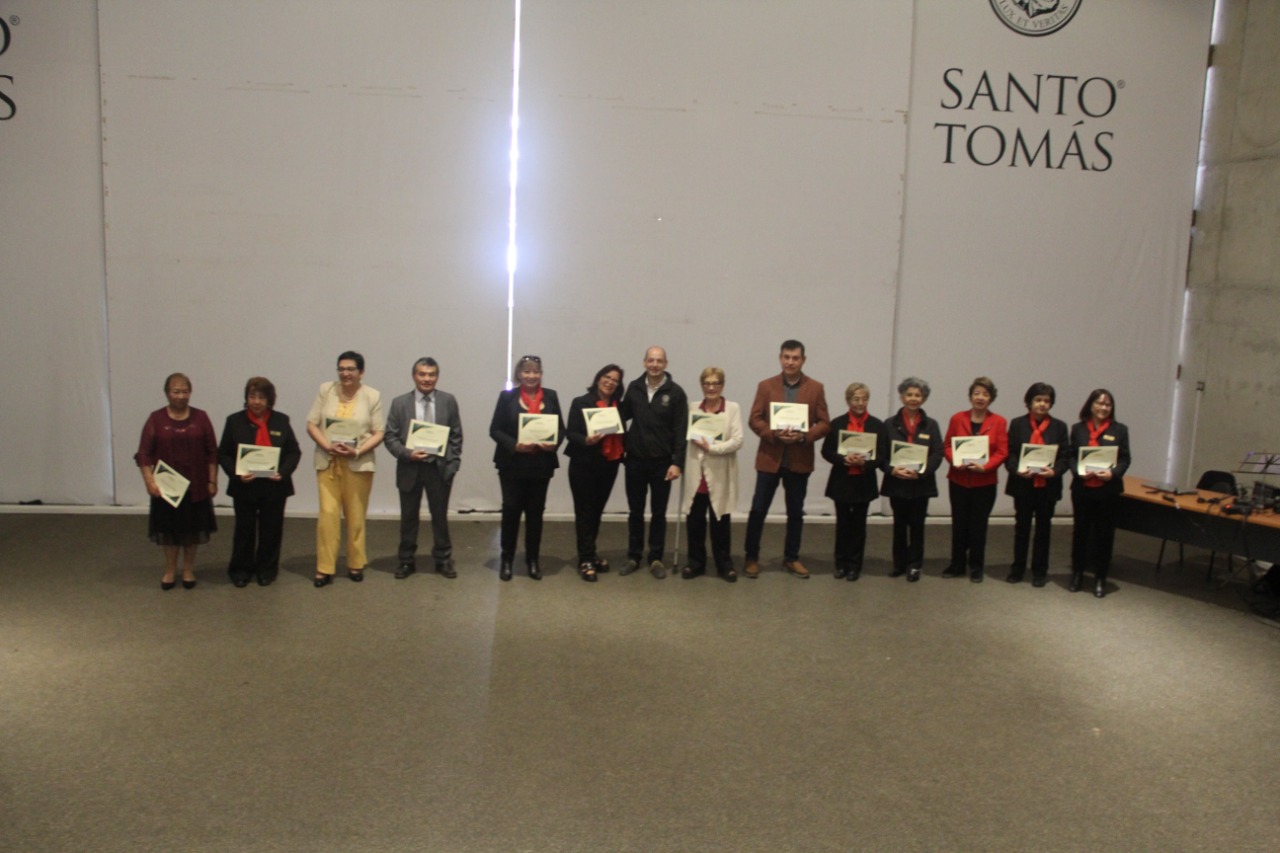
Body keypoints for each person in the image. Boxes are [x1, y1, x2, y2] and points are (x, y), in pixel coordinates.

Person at [743, 339, 831, 579]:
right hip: (770, 457)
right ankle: (751, 557)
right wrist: (773, 433)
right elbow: (754, 418)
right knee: (758, 509)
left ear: (803, 360)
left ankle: (791, 558)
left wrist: (804, 436)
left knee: (795, 511)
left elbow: (824, 423)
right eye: (786, 357)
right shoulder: (766, 386)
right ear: (780, 358)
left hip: (799, 459)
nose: (790, 362)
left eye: (795, 358)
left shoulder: (815, 388)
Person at [305, 351, 385, 588]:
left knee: (355, 515)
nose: (345, 373)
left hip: (358, 464)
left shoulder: (372, 396)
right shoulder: (325, 390)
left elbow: (379, 432)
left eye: (350, 369)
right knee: (328, 515)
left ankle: (355, 563)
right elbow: (311, 424)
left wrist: (357, 451)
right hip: (328, 462)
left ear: (361, 372)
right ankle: (324, 567)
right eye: (341, 369)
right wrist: (326, 445)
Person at [135, 372, 218, 590]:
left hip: (197, 486)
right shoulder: (156, 419)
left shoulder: (201, 418)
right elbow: (144, 454)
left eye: (185, 391)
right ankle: (170, 570)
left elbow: (212, 452)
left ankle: (189, 569)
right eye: (176, 391)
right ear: (167, 393)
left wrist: (212, 481)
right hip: (166, 488)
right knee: (169, 532)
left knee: (192, 531)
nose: (181, 396)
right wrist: (149, 482)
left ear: (190, 393)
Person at [216, 376, 302, 587]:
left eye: (261, 397)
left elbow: (293, 452)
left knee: (271, 530)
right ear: (246, 398)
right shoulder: (234, 421)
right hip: (244, 486)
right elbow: (223, 454)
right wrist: (237, 474)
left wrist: (283, 472)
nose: (256, 401)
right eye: (252, 396)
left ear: (269, 399)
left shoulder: (281, 420)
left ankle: (266, 570)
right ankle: (241, 570)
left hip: (274, 486)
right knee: (244, 531)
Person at [384, 357, 463, 580]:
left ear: (437, 376)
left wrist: (453, 464)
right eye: (422, 374)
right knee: (408, 517)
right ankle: (407, 560)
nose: (427, 379)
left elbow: (456, 435)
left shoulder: (448, 401)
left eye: (431, 374)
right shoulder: (399, 403)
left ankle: (443, 559)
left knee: (440, 517)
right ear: (414, 376)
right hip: (410, 468)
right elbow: (389, 436)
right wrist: (408, 453)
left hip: (439, 469)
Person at [489, 355, 565, 581]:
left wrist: (554, 443)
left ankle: (533, 560)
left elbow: (561, 428)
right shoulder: (507, 397)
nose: (531, 376)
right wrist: (515, 445)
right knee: (511, 511)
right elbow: (495, 430)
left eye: (536, 372)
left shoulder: (551, 396)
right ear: (519, 374)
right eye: (527, 372)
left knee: (535, 514)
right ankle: (507, 560)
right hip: (512, 464)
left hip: (541, 465)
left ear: (541, 374)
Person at [618, 346, 688, 579]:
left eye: (659, 361)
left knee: (659, 513)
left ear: (666, 364)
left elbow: (680, 431)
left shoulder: (676, 393)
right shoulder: (634, 388)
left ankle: (656, 557)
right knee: (635, 512)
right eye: (651, 360)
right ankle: (634, 556)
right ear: (644, 362)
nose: (655, 365)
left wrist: (677, 462)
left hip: (662, 463)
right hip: (635, 461)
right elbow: (621, 416)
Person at [941, 377, 1009, 583]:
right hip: (959, 480)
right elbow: (947, 446)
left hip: (984, 483)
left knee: (979, 526)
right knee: (959, 524)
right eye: (977, 393)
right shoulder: (957, 419)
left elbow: (1002, 451)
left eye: (985, 394)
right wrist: (955, 461)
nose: (980, 398)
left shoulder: (999, 422)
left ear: (991, 398)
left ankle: (976, 566)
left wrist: (985, 467)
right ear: (971, 396)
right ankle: (957, 564)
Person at [680, 366, 745, 581]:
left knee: (720, 522)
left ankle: (724, 563)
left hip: (719, 474)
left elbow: (737, 440)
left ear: (722, 385)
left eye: (715, 383)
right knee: (695, 521)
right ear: (702, 385)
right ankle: (695, 562)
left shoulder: (732, 408)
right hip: (695, 474)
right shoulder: (692, 408)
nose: (711, 387)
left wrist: (712, 448)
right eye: (707, 383)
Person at [1004, 382, 1069, 587]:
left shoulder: (1059, 426)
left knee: (1044, 529)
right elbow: (1010, 453)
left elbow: (1065, 457)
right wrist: (1017, 470)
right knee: (1021, 528)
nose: (1042, 404)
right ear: (1029, 402)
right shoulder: (1017, 424)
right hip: (1022, 485)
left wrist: (1055, 471)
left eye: (1047, 401)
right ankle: (1018, 568)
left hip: (1047, 486)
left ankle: (1040, 570)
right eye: (1038, 400)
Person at [1068, 388, 1131, 598]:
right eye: (1100, 403)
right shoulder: (1078, 429)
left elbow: (1124, 459)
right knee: (1081, 533)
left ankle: (1100, 578)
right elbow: (1070, 456)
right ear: (1090, 405)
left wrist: (1112, 474)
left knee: (1104, 535)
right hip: (1083, 490)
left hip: (1107, 491)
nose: (1103, 408)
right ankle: (1077, 574)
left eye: (1108, 405)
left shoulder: (1120, 430)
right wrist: (1078, 471)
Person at [879, 377, 943, 582]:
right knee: (899, 525)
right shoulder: (889, 424)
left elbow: (937, 454)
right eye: (909, 394)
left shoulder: (931, 425)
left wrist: (921, 472)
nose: (913, 399)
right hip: (897, 483)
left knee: (917, 526)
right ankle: (899, 564)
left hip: (920, 484)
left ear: (923, 399)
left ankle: (915, 566)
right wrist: (892, 470)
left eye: (917, 395)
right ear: (901, 397)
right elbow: (881, 455)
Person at [565, 364, 626, 582]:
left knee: (597, 512)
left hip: (608, 465)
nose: (610, 382)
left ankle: (590, 553)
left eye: (615, 380)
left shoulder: (618, 406)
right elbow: (570, 432)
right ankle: (586, 560)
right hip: (584, 464)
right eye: (606, 377)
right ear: (598, 378)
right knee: (584, 512)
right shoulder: (581, 402)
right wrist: (586, 440)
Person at [821, 382, 883, 582]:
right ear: (848, 400)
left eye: (864, 399)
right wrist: (843, 459)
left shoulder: (876, 425)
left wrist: (865, 463)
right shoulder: (837, 424)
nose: (860, 403)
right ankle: (840, 564)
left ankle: (855, 566)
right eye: (856, 399)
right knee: (843, 525)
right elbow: (826, 451)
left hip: (863, 482)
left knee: (858, 526)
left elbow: (881, 457)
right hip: (842, 481)